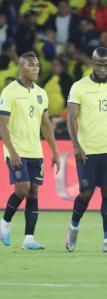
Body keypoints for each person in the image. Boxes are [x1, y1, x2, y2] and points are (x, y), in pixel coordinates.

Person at [65, 47, 107, 253]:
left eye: (106, 65)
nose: (102, 68)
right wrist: (76, 145)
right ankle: (73, 228)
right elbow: (71, 118)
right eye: (99, 64)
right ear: (92, 64)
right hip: (87, 151)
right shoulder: (79, 87)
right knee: (85, 193)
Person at [0, 52, 60, 249]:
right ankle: (5, 222)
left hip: (35, 151)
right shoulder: (9, 92)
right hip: (16, 150)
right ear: (21, 67)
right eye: (31, 65)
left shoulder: (41, 93)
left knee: (34, 192)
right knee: (22, 188)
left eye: (37, 65)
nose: (35, 68)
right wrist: (12, 150)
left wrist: (55, 151)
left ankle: (29, 239)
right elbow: (2, 124)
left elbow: (46, 125)